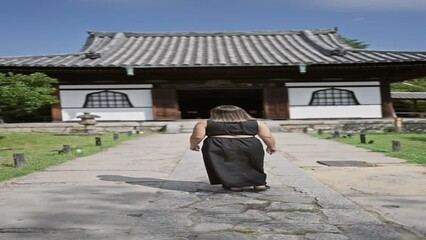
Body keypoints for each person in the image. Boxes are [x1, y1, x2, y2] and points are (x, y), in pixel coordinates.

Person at [189, 105, 276, 192]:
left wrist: (193, 145)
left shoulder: (205, 123)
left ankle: (234, 185)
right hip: (250, 144)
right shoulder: (257, 123)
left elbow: (197, 136)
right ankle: (259, 184)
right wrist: (271, 146)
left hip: (218, 145)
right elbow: (267, 136)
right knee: (253, 163)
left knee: (225, 164)